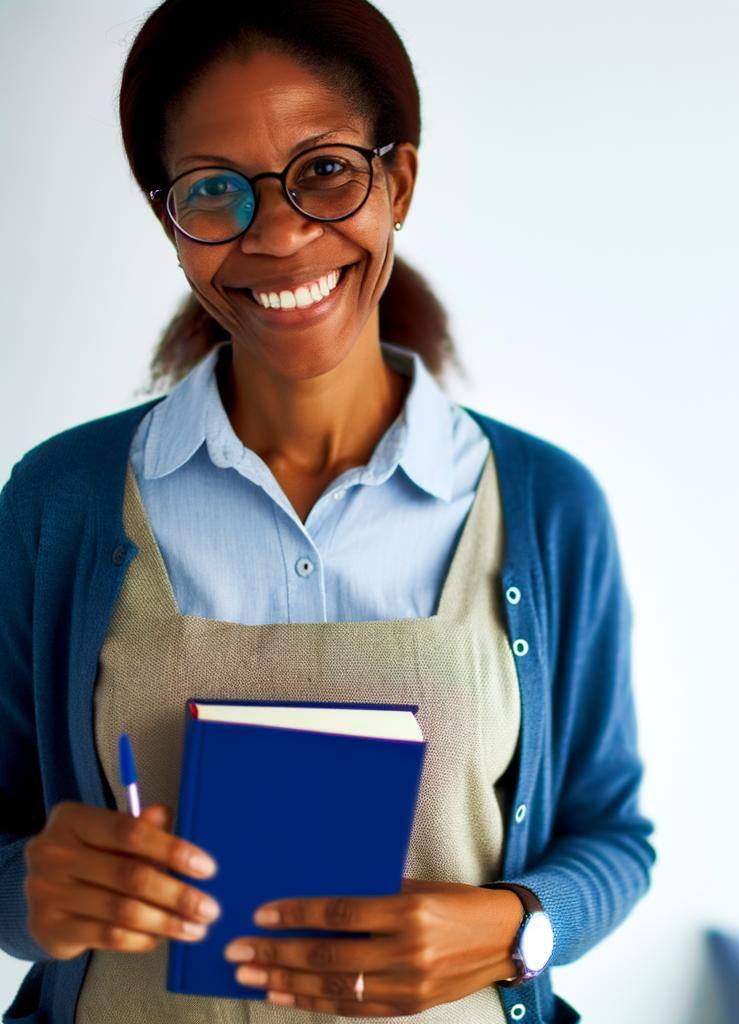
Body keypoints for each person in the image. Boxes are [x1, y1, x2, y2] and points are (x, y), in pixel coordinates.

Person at [0, 2, 656, 1022]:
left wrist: (518, 923)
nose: (279, 233)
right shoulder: (61, 501)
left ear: (397, 181)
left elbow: (612, 836)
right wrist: (26, 893)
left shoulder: (545, 506)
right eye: (214, 191)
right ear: (170, 219)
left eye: (325, 171)